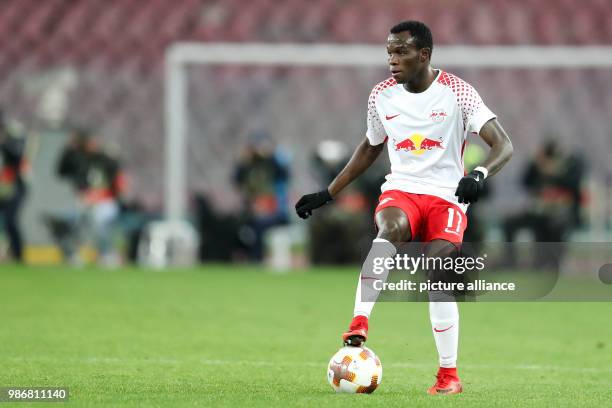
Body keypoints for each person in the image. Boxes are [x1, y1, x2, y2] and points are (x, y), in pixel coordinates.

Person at [295, 21, 513, 395]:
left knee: (440, 274)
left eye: (400, 52)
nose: (392, 61)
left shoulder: (457, 92)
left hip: (447, 196)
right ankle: (359, 321)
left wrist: (478, 174)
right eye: (389, 53)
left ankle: (448, 376)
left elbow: (504, 145)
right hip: (403, 190)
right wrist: (328, 192)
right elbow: (370, 147)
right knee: (389, 228)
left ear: (423, 55)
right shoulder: (381, 95)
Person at [57, 128, 126, 265]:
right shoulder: (80, 159)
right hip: (85, 200)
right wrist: (68, 149)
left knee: (99, 223)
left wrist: (114, 197)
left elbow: (117, 180)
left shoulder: (106, 159)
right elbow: (62, 171)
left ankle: (106, 253)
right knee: (76, 224)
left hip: (105, 201)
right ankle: (73, 253)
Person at [233, 133, 290, 261]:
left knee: (260, 225)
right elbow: (237, 179)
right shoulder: (247, 167)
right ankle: (239, 257)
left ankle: (256, 259)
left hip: (273, 211)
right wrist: (244, 159)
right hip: (252, 209)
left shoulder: (271, 165)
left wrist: (269, 154)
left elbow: (284, 173)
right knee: (237, 225)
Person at [0, 118, 29, 262]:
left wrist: (4, 143)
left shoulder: (13, 137)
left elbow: (18, 156)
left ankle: (18, 254)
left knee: (11, 221)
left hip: (13, 187)